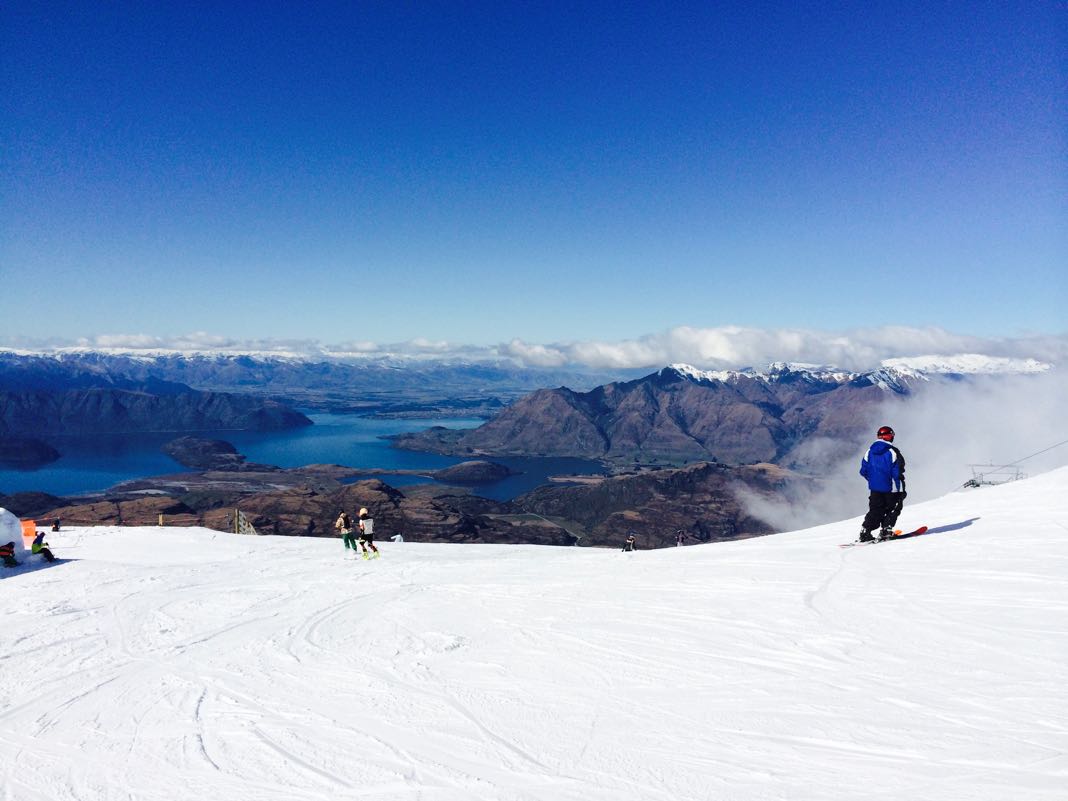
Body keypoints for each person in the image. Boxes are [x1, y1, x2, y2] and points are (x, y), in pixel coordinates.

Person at [858, 425, 906, 542]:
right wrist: (901, 491)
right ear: (889, 436)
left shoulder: (869, 451)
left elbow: (863, 471)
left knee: (875, 509)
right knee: (894, 508)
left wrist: (874, 480)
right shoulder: (893, 452)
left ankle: (865, 531)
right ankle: (886, 530)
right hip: (891, 488)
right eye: (891, 435)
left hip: (875, 488)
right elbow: (898, 473)